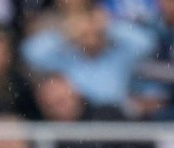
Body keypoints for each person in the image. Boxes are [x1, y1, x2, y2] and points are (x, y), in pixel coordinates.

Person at [19, 4, 150, 113]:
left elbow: (146, 43)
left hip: (114, 119)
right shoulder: (66, 57)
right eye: (85, 32)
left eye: (95, 31)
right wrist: (64, 32)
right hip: (78, 121)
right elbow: (30, 53)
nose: (90, 34)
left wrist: (109, 25)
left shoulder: (119, 56)